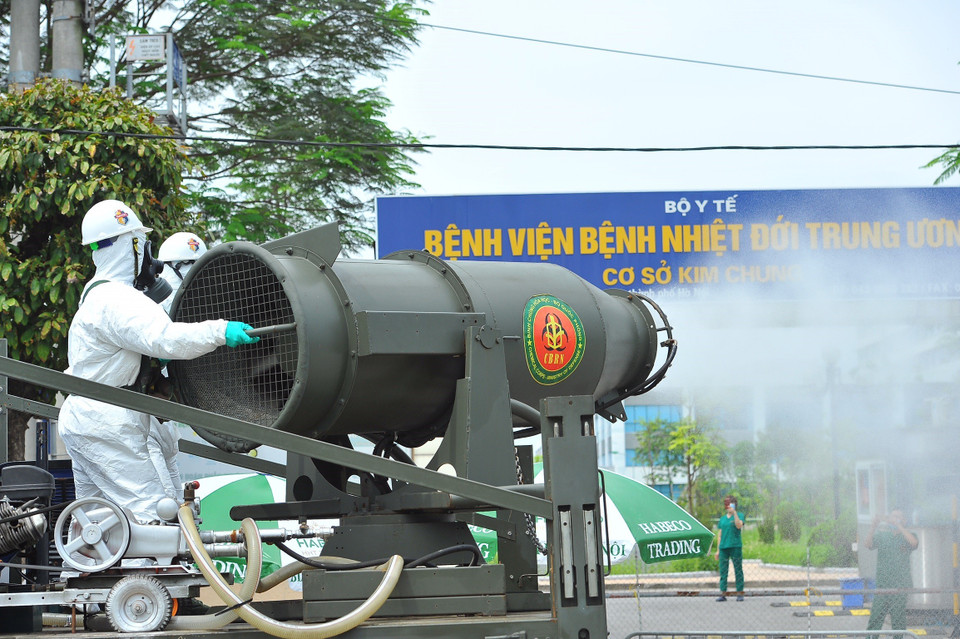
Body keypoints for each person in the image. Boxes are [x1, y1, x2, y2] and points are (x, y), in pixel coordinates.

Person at [58, 200, 259, 524]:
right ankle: (149, 576)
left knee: (96, 524)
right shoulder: (117, 299)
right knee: (154, 515)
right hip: (106, 418)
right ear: (134, 245)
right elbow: (164, 337)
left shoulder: (97, 293)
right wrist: (221, 330)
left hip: (89, 415)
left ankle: (88, 573)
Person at [142, 231, 210, 501]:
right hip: (143, 422)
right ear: (171, 267)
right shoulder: (153, 305)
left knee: (177, 505)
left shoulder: (193, 304)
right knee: (161, 505)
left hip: (164, 419)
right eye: (188, 265)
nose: (196, 273)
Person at [865, 509, 918, 639]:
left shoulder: (908, 535)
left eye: (898, 517)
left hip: (900, 586)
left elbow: (914, 543)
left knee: (898, 621)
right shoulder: (883, 535)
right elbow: (868, 544)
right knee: (875, 618)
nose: (894, 519)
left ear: (904, 520)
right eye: (893, 517)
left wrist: (899, 526)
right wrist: (873, 526)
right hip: (883, 586)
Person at [715, 494, 744, 601]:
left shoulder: (739, 515)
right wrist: (718, 550)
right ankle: (723, 593)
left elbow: (739, 525)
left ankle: (740, 593)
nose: (727, 505)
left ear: (734, 504)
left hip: (735, 546)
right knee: (723, 571)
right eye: (726, 503)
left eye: (730, 503)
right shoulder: (722, 519)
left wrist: (734, 513)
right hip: (724, 547)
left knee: (738, 569)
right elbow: (720, 534)